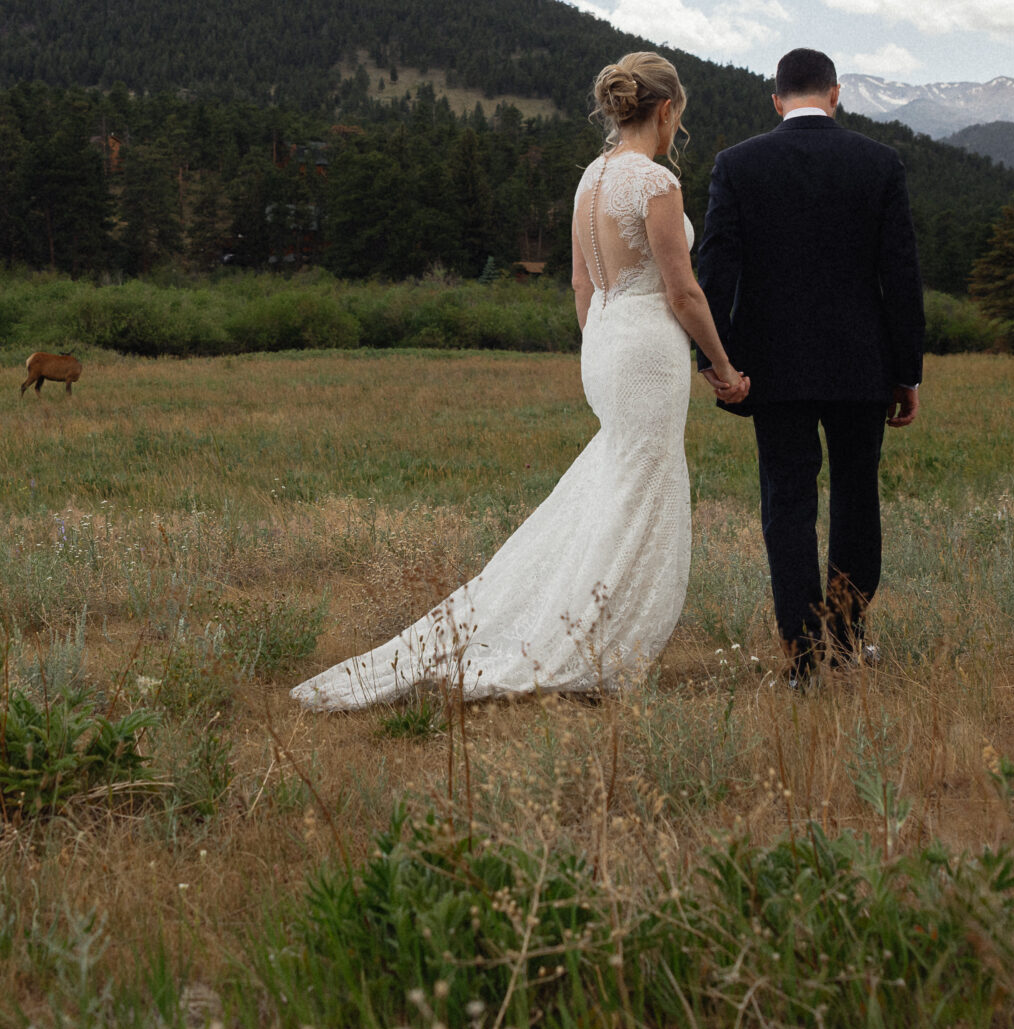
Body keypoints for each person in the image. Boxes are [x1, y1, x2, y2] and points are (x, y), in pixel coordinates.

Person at [292, 52, 750, 710]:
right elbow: (684, 293)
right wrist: (724, 368)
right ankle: (589, 644)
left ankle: (589, 631)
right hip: (646, 349)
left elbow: (580, 282)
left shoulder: (590, 180)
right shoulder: (655, 185)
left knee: (613, 488)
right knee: (637, 496)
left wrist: (598, 344)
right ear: (667, 110)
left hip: (605, 343)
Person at [694, 47, 924, 679]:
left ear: (776, 100)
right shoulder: (880, 163)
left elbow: (715, 267)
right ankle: (847, 644)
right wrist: (906, 371)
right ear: (835, 93)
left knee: (787, 505)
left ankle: (801, 655)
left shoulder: (737, 164)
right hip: (862, 367)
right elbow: (900, 275)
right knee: (856, 498)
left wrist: (713, 358)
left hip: (773, 368)